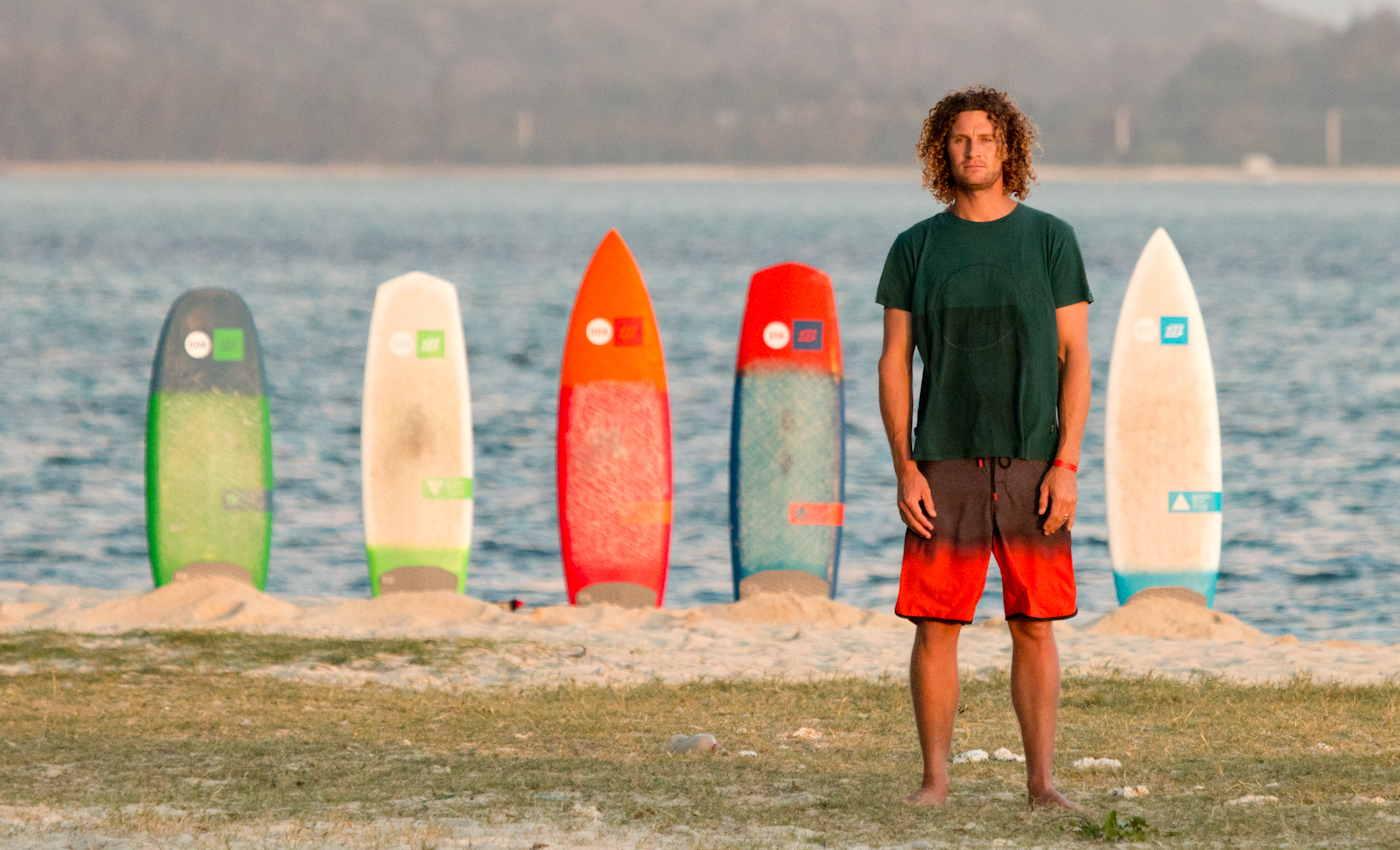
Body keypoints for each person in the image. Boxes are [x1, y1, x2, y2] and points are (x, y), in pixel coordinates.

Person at [876, 85, 1091, 809]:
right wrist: (905, 467)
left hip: (1034, 459)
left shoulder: (1050, 239)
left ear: (1009, 150)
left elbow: (1077, 358)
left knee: (1034, 624)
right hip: (943, 460)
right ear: (943, 150)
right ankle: (934, 783)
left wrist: (1067, 464)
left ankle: (1042, 785)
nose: (974, 151)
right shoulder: (915, 247)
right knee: (936, 626)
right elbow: (894, 362)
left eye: (988, 139)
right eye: (961, 139)